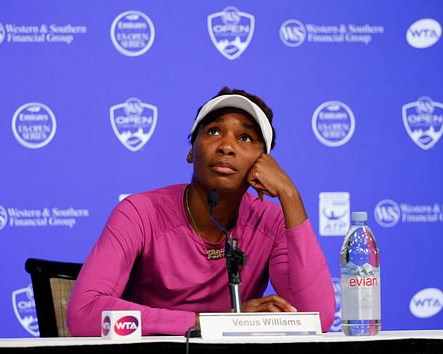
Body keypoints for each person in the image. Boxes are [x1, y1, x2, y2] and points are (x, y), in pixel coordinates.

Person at [67, 87, 336, 336]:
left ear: (263, 163)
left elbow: (317, 319)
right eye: (214, 132)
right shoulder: (139, 213)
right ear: (191, 151)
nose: (226, 146)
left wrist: (291, 197)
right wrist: (211, 322)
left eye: (245, 137)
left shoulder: (271, 222)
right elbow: (84, 314)